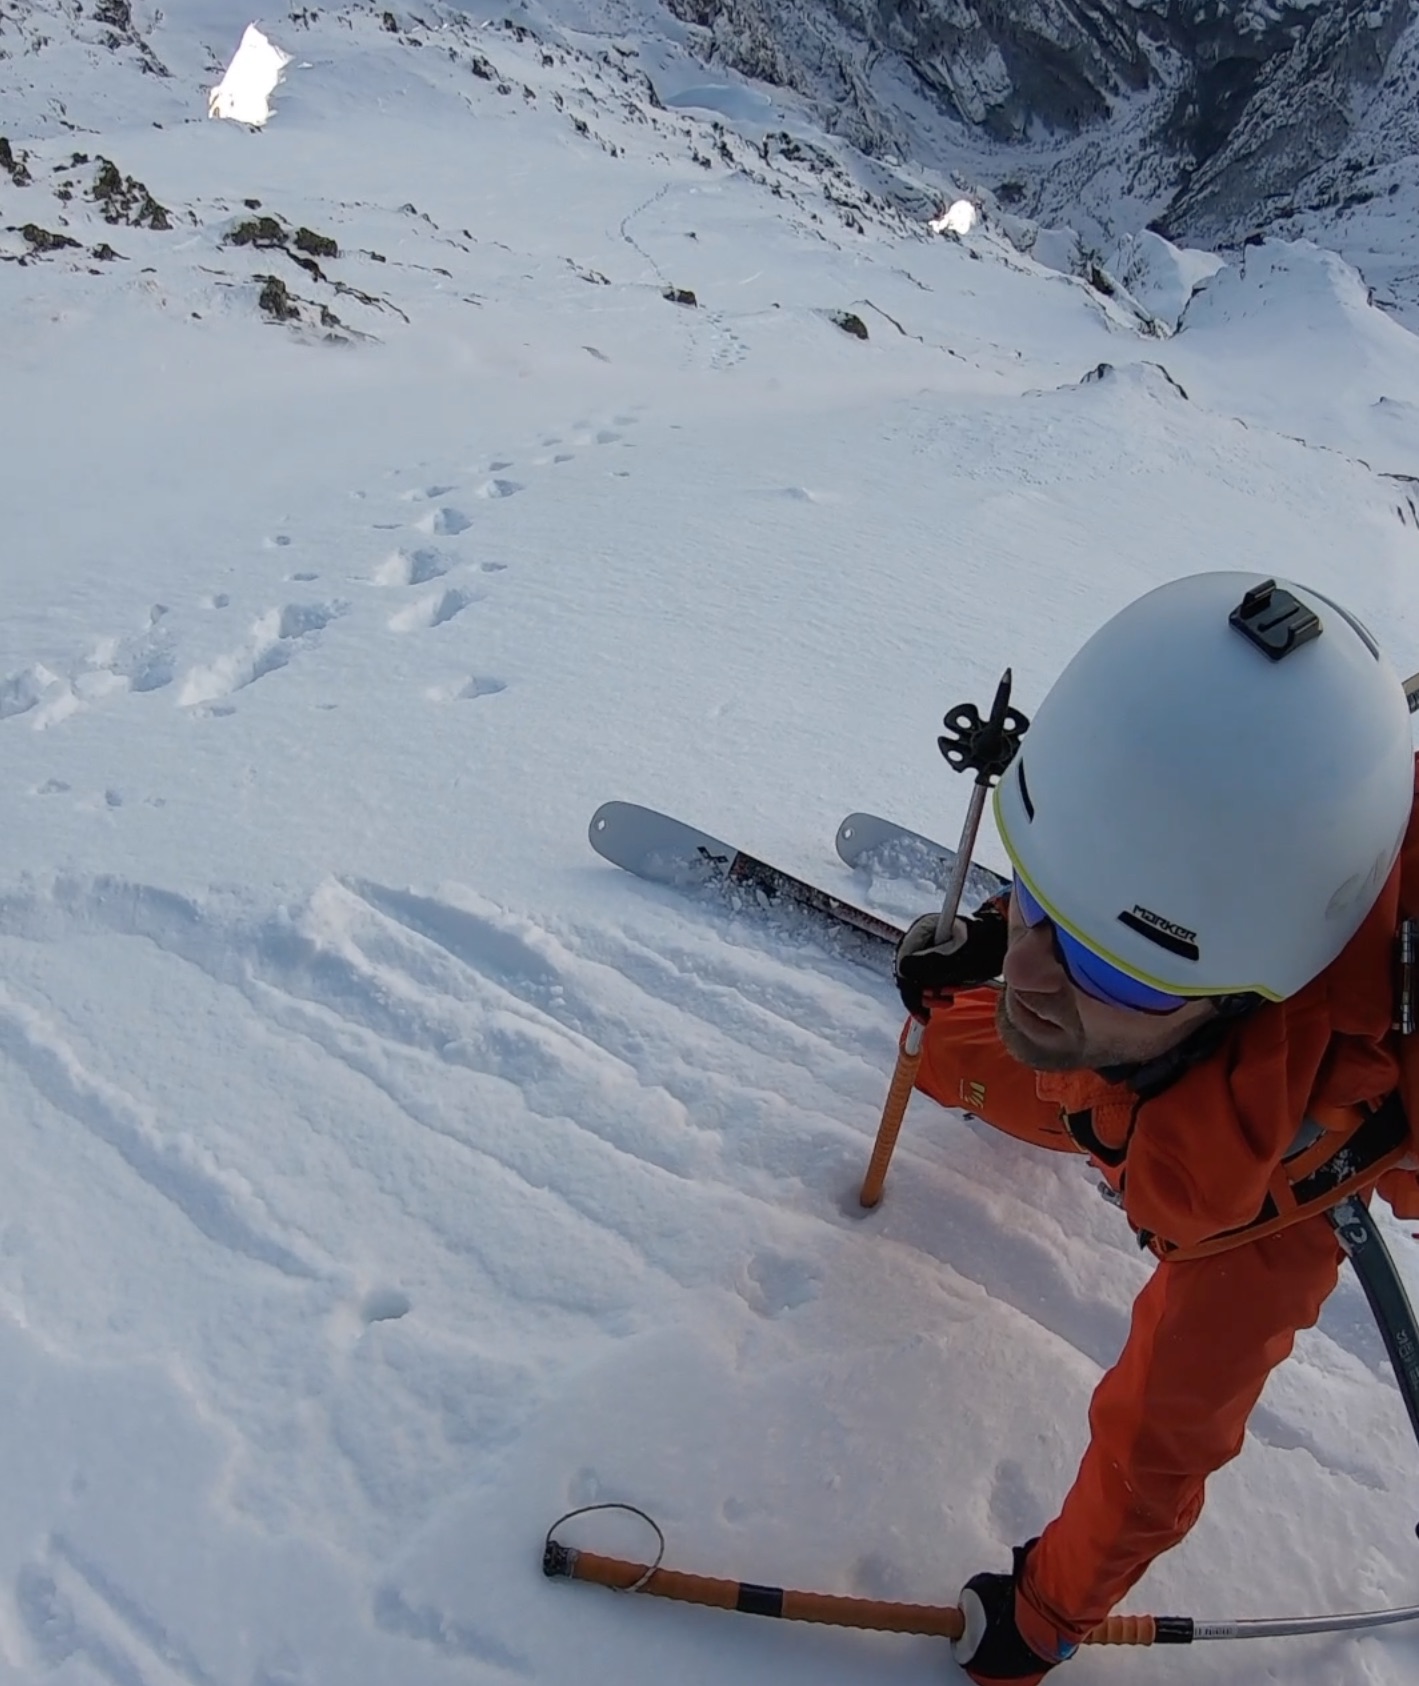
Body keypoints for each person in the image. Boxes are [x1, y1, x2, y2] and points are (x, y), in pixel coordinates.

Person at [891, 572, 1419, 1684]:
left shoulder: (1272, 1173)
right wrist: (1009, 932)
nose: (1030, 973)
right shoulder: (1250, 872)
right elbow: (1127, 881)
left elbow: (1158, 1442)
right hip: (1169, 1075)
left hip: (1298, 1124)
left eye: (1110, 963)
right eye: (1033, 896)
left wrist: (1044, 1616)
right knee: (970, 1049)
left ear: (1249, 991)